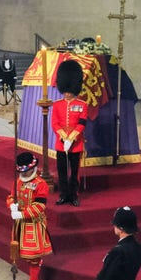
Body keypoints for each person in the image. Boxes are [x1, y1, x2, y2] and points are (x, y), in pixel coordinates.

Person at [7, 152, 53, 280]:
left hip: (33, 223)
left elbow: (40, 206)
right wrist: (11, 205)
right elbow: (11, 196)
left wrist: (22, 213)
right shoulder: (18, 181)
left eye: (26, 171)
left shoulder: (41, 184)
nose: (24, 173)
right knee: (22, 254)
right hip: (20, 223)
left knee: (33, 256)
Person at [51, 60, 88, 207]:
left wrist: (72, 137)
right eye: (65, 91)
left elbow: (82, 123)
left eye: (69, 91)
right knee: (62, 171)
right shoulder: (57, 105)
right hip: (61, 144)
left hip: (76, 144)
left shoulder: (82, 105)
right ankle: (63, 194)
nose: (66, 94)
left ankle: (73, 195)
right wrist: (62, 136)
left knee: (74, 172)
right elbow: (55, 123)